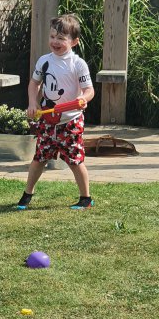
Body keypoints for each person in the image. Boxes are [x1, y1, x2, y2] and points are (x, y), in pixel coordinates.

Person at [17, 14, 95, 210]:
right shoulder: (44, 61)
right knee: (39, 158)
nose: (55, 42)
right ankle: (27, 194)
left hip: (71, 121)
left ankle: (85, 199)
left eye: (61, 38)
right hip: (48, 120)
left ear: (74, 42)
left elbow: (89, 91)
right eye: (52, 37)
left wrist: (83, 99)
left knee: (75, 160)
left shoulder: (78, 64)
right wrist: (33, 102)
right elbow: (34, 84)